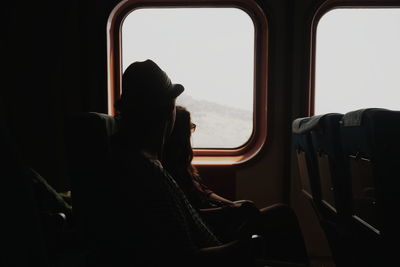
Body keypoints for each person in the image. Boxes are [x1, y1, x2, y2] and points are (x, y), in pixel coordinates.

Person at [108, 60, 255, 267]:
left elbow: (184, 226)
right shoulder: (146, 178)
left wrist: (228, 213)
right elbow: (183, 259)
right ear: (168, 112)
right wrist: (247, 248)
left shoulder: (144, 164)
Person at [163, 105, 310, 264]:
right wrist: (230, 211)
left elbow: (205, 192)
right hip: (214, 225)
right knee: (281, 217)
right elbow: (194, 213)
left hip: (220, 216)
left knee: (281, 213)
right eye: (189, 129)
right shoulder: (169, 171)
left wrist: (232, 205)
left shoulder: (182, 167)